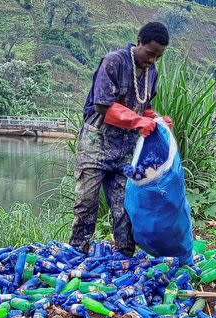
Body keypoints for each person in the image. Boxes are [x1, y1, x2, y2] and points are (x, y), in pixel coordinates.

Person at [70, 22, 172, 257]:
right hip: (97, 144)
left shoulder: (151, 74)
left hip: (126, 149)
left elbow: (142, 108)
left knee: (125, 206)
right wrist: (139, 122)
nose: (152, 60)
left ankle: (124, 256)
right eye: (150, 53)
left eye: (158, 56)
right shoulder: (114, 61)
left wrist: (156, 119)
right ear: (139, 41)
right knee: (86, 203)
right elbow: (104, 106)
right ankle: (76, 255)